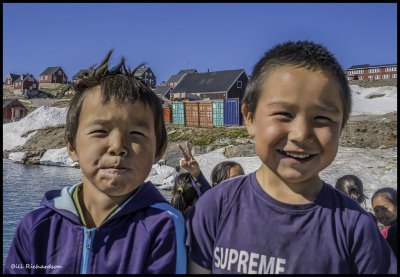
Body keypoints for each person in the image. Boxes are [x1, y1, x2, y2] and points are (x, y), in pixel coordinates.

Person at [185, 40, 397, 274]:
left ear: (341, 127)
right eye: (284, 114)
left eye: (322, 118)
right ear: (249, 118)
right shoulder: (214, 208)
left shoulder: (355, 227)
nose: (301, 134)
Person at [4, 50, 186, 274]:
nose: (118, 146)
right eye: (100, 131)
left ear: (159, 149)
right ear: (72, 147)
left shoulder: (163, 225)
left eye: (137, 133)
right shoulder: (36, 227)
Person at [372, 187, 397, 258]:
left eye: (385, 209)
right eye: (376, 210)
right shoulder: (389, 228)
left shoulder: (394, 230)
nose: (380, 215)